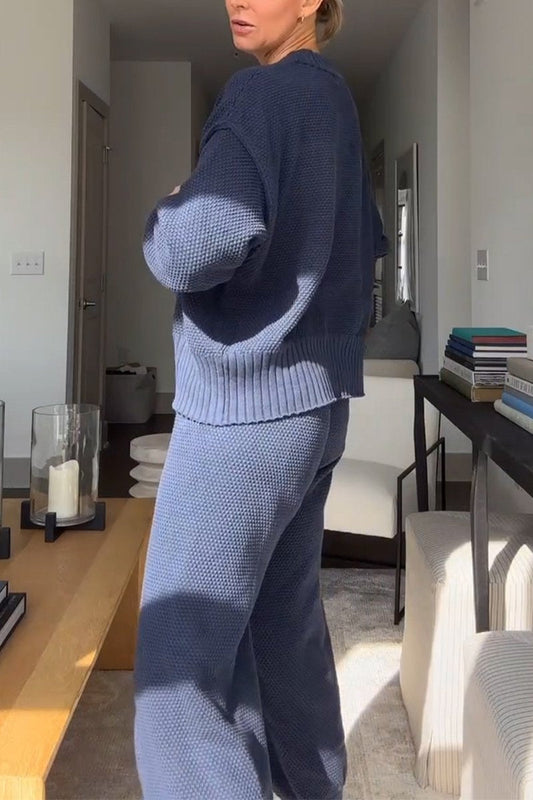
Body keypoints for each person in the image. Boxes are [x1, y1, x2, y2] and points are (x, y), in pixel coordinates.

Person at [134, 0, 388, 798]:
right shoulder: (333, 101)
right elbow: (369, 241)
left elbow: (194, 245)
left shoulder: (259, 95)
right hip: (316, 412)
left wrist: (167, 210)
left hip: (243, 414)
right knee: (280, 635)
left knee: (176, 676)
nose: (234, 0)